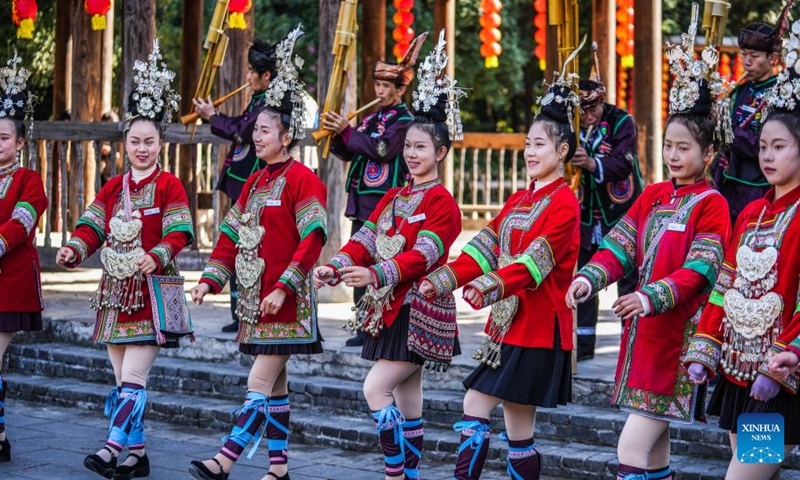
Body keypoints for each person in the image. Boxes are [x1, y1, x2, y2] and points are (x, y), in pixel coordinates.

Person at [566, 12, 732, 479]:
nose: (674, 156)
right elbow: (621, 243)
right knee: (655, 453)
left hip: (727, 347)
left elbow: (702, 269)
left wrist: (647, 295)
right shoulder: (658, 194)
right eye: (670, 146)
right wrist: (589, 276)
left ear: (711, 154)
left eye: (685, 148)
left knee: (760, 451)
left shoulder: (717, 204)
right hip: (651, 339)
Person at [419, 43, 585, 480]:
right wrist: (447, 278)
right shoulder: (519, 199)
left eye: (540, 145)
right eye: (527, 143)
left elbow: (536, 262)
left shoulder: (565, 204)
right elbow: (485, 246)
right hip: (509, 324)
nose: (530, 152)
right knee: (519, 429)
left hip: (537, 327)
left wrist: (489, 285)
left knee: (476, 405)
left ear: (563, 150)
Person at [314, 30, 463, 480]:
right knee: (408, 398)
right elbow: (365, 239)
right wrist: (337, 265)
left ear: (440, 152)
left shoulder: (443, 203)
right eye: (409, 147)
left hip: (418, 308)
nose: (413, 154)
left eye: (422, 148)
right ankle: (409, 476)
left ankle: (395, 474)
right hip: (390, 308)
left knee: (374, 389)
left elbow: (422, 256)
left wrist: (375, 274)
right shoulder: (394, 196)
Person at [188, 26, 328, 480]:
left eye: (266, 130)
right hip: (256, 300)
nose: (257, 136)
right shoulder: (254, 181)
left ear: (287, 137)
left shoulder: (303, 180)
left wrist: (287, 285)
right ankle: (279, 469)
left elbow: (313, 236)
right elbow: (230, 233)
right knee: (278, 388)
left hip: (285, 301)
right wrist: (211, 279)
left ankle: (224, 461)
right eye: (257, 130)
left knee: (258, 383)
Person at [55, 40, 194, 480]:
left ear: (161, 143)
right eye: (135, 140)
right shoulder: (114, 187)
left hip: (152, 291)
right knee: (124, 382)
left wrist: (158, 254)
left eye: (149, 141)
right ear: (126, 142)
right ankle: (137, 455)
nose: (141, 148)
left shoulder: (170, 185)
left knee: (134, 377)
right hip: (116, 294)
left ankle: (113, 446)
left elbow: (180, 230)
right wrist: (74, 248)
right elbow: (92, 224)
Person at [685, 19, 800, 480]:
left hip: (778, 373)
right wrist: (705, 345)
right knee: (751, 471)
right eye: (764, 147)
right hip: (737, 375)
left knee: (746, 475)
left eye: (780, 147)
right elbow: (724, 286)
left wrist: (784, 358)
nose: (767, 157)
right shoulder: (751, 215)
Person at [322, 33, 427, 347]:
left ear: (399, 89)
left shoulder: (405, 121)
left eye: (386, 87)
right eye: (377, 86)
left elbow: (381, 149)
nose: (380, 91)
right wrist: (337, 136)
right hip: (362, 199)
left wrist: (348, 130)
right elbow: (352, 150)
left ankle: (377, 325)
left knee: (381, 261)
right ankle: (361, 323)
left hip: (385, 201)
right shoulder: (371, 117)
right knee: (359, 257)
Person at [193, 38, 277, 334]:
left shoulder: (269, 102)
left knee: (251, 246)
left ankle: (247, 309)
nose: (248, 76)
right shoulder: (257, 99)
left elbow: (243, 130)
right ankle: (238, 310)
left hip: (257, 184)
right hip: (244, 182)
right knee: (237, 244)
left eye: (252, 71)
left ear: (267, 76)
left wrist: (212, 116)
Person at [573, 42, 643, 360]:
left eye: (591, 110)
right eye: (581, 111)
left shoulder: (621, 122)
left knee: (628, 276)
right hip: (586, 213)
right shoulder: (572, 126)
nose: (586, 117)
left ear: (601, 103)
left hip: (622, 213)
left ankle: (632, 343)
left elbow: (623, 163)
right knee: (586, 277)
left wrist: (590, 164)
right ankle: (584, 347)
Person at [0, 51, 48, 463]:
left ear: (20, 142)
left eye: (3, 137)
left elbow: (22, 221)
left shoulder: (29, 179)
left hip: (9, 280)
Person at [709, 4, 792, 226]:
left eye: (754, 56)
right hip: (727, 182)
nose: (747, 61)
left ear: (773, 58)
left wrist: (726, 129)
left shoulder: (780, 94)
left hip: (759, 186)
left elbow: (761, 144)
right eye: (744, 55)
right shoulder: (739, 89)